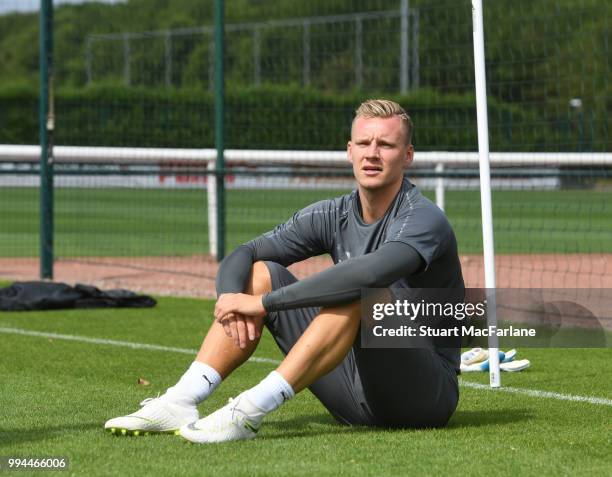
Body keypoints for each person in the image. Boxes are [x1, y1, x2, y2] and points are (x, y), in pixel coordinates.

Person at [105, 99, 464, 443]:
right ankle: (181, 400)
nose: (372, 153)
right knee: (259, 271)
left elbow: (367, 276)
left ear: (407, 155)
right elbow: (245, 252)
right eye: (364, 142)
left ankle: (248, 411)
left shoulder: (422, 217)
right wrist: (230, 299)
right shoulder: (332, 213)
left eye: (385, 144)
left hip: (423, 398)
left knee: (359, 291)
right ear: (349, 150)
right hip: (352, 394)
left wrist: (265, 304)